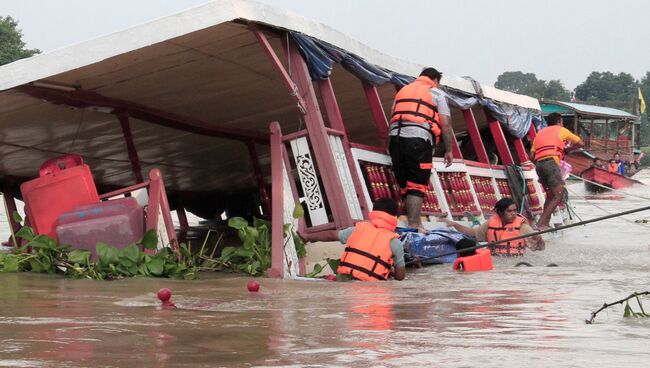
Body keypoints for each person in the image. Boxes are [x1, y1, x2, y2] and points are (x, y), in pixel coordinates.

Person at [388, 67, 454, 232]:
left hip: (395, 140)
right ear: (436, 80)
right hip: (418, 140)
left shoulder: (403, 90)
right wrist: (449, 150)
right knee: (417, 185)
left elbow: (393, 116)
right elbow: (445, 124)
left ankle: (414, 221)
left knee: (404, 184)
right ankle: (414, 225)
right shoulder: (436, 93)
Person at [529, 112, 583, 230]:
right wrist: (568, 149)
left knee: (550, 195)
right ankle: (541, 223)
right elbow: (580, 143)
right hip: (551, 163)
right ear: (559, 121)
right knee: (559, 195)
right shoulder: (561, 129)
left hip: (539, 164)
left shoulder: (540, 133)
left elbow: (531, 155)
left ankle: (545, 223)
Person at [441, 198, 545, 256]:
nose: (513, 214)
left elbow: (540, 248)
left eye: (515, 210)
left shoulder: (523, 227)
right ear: (499, 212)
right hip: (495, 259)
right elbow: (473, 233)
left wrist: (539, 241)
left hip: (516, 260)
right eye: (509, 211)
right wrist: (455, 224)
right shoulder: (490, 223)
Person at [337, 198, 406, 281]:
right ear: (395, 217)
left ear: (373, 212)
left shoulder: (356, 230)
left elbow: (329, 235)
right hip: (372, 289)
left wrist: (316, 237)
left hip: (346, 280)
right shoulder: (395, 242)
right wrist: (389, 271)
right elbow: (400, 277)